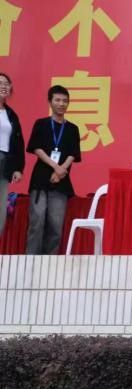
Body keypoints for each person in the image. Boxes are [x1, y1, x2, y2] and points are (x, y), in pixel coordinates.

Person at [25, 85, 81, 255]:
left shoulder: (72, 128)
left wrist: (61, 170)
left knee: (56, 226)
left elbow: (73, 153)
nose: (61, 104)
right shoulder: (41, 124)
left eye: (65, 101)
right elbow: (36, 148)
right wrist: (55, 167)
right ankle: (31, 261)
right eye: (57, 100)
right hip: (40, 180)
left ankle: (50, 264)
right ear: (50, 102)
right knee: (37, 222)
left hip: (61, 182)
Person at [0, 72, 25, 239]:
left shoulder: (11, 115)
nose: (3, 86)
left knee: (1, 207)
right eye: (0, 83)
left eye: (6, 83)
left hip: (5, 162)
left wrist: (18, 168)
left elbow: (18, 143)